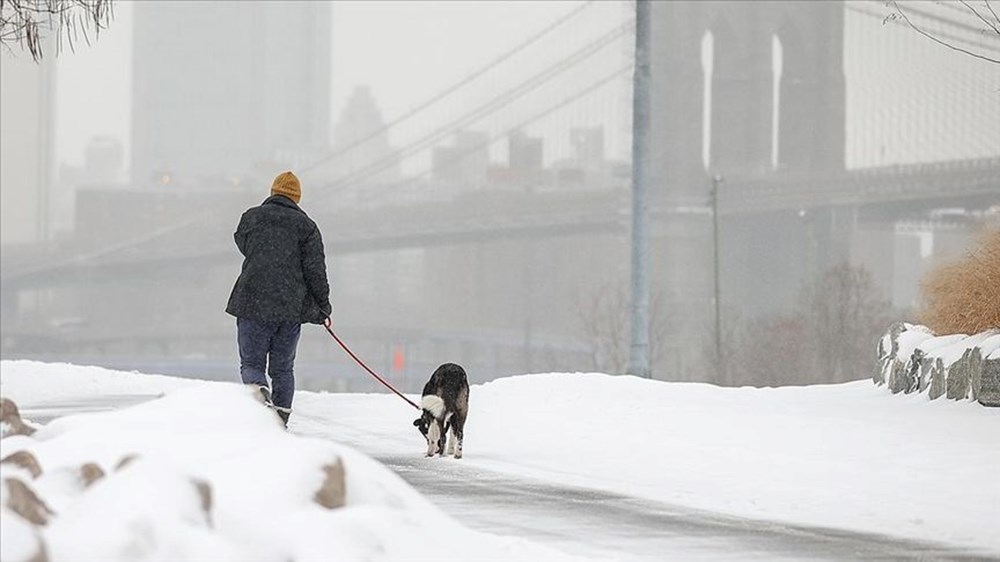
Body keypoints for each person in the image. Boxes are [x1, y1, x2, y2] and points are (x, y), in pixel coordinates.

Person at [226, 171, 332, 426]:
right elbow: (316, 270)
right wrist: (323, 306)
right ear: (297, 197)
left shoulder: (251, 218)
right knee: (283, 369)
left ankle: (259, 392)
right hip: (289, 308)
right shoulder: (307, 227)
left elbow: (243, 244)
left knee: (251, 363)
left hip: (252, 302)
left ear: (273, 192)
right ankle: (280, 417)